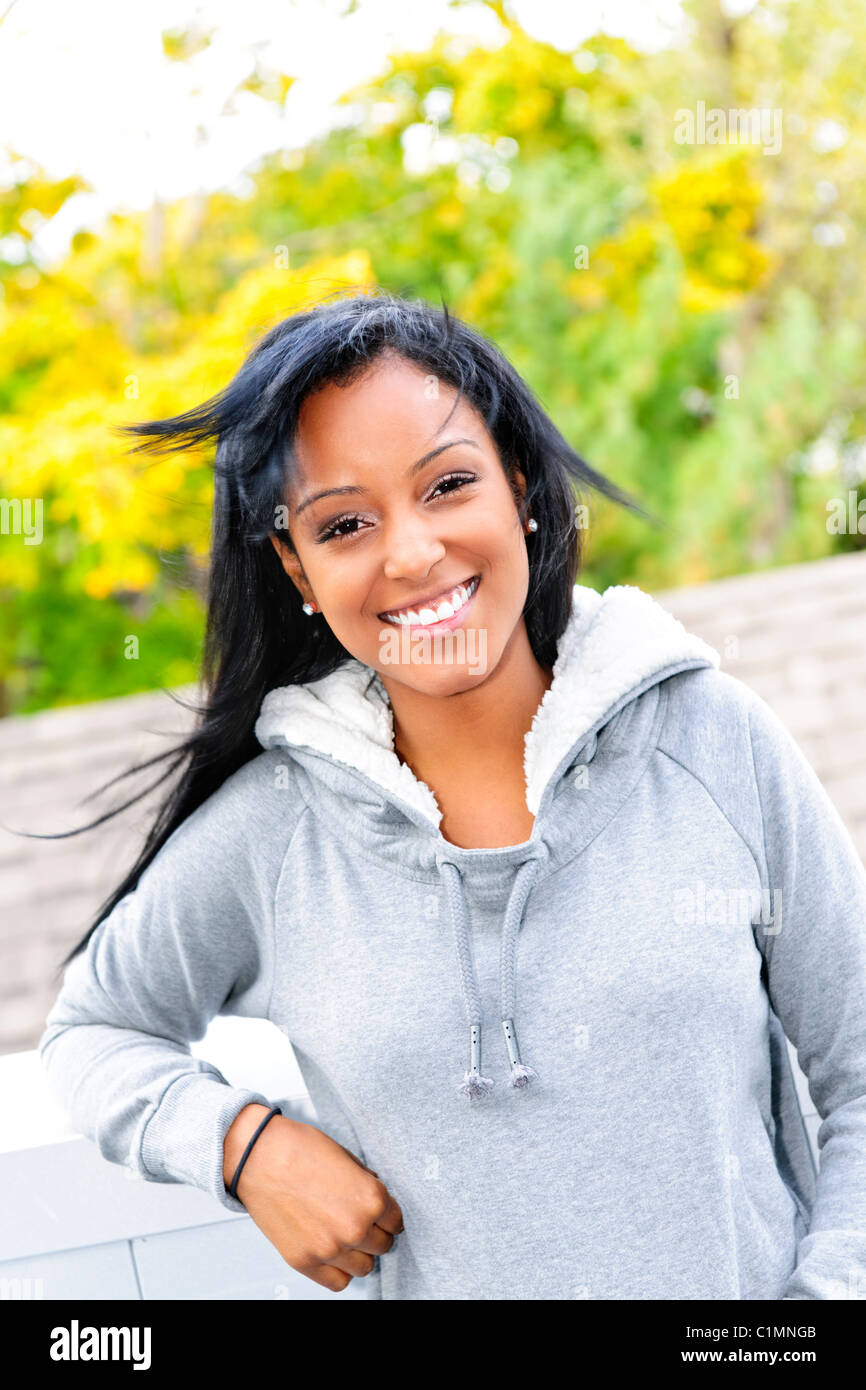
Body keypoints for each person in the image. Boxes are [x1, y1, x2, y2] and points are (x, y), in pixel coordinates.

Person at [37, 291, 866, 1300]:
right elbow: (91, 1030)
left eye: (446, 484)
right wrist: (244, 1144)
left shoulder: (708, 740)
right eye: (344, 522)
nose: (412, 553)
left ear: (518, 482)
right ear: (295, 565)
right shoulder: (273, 830)